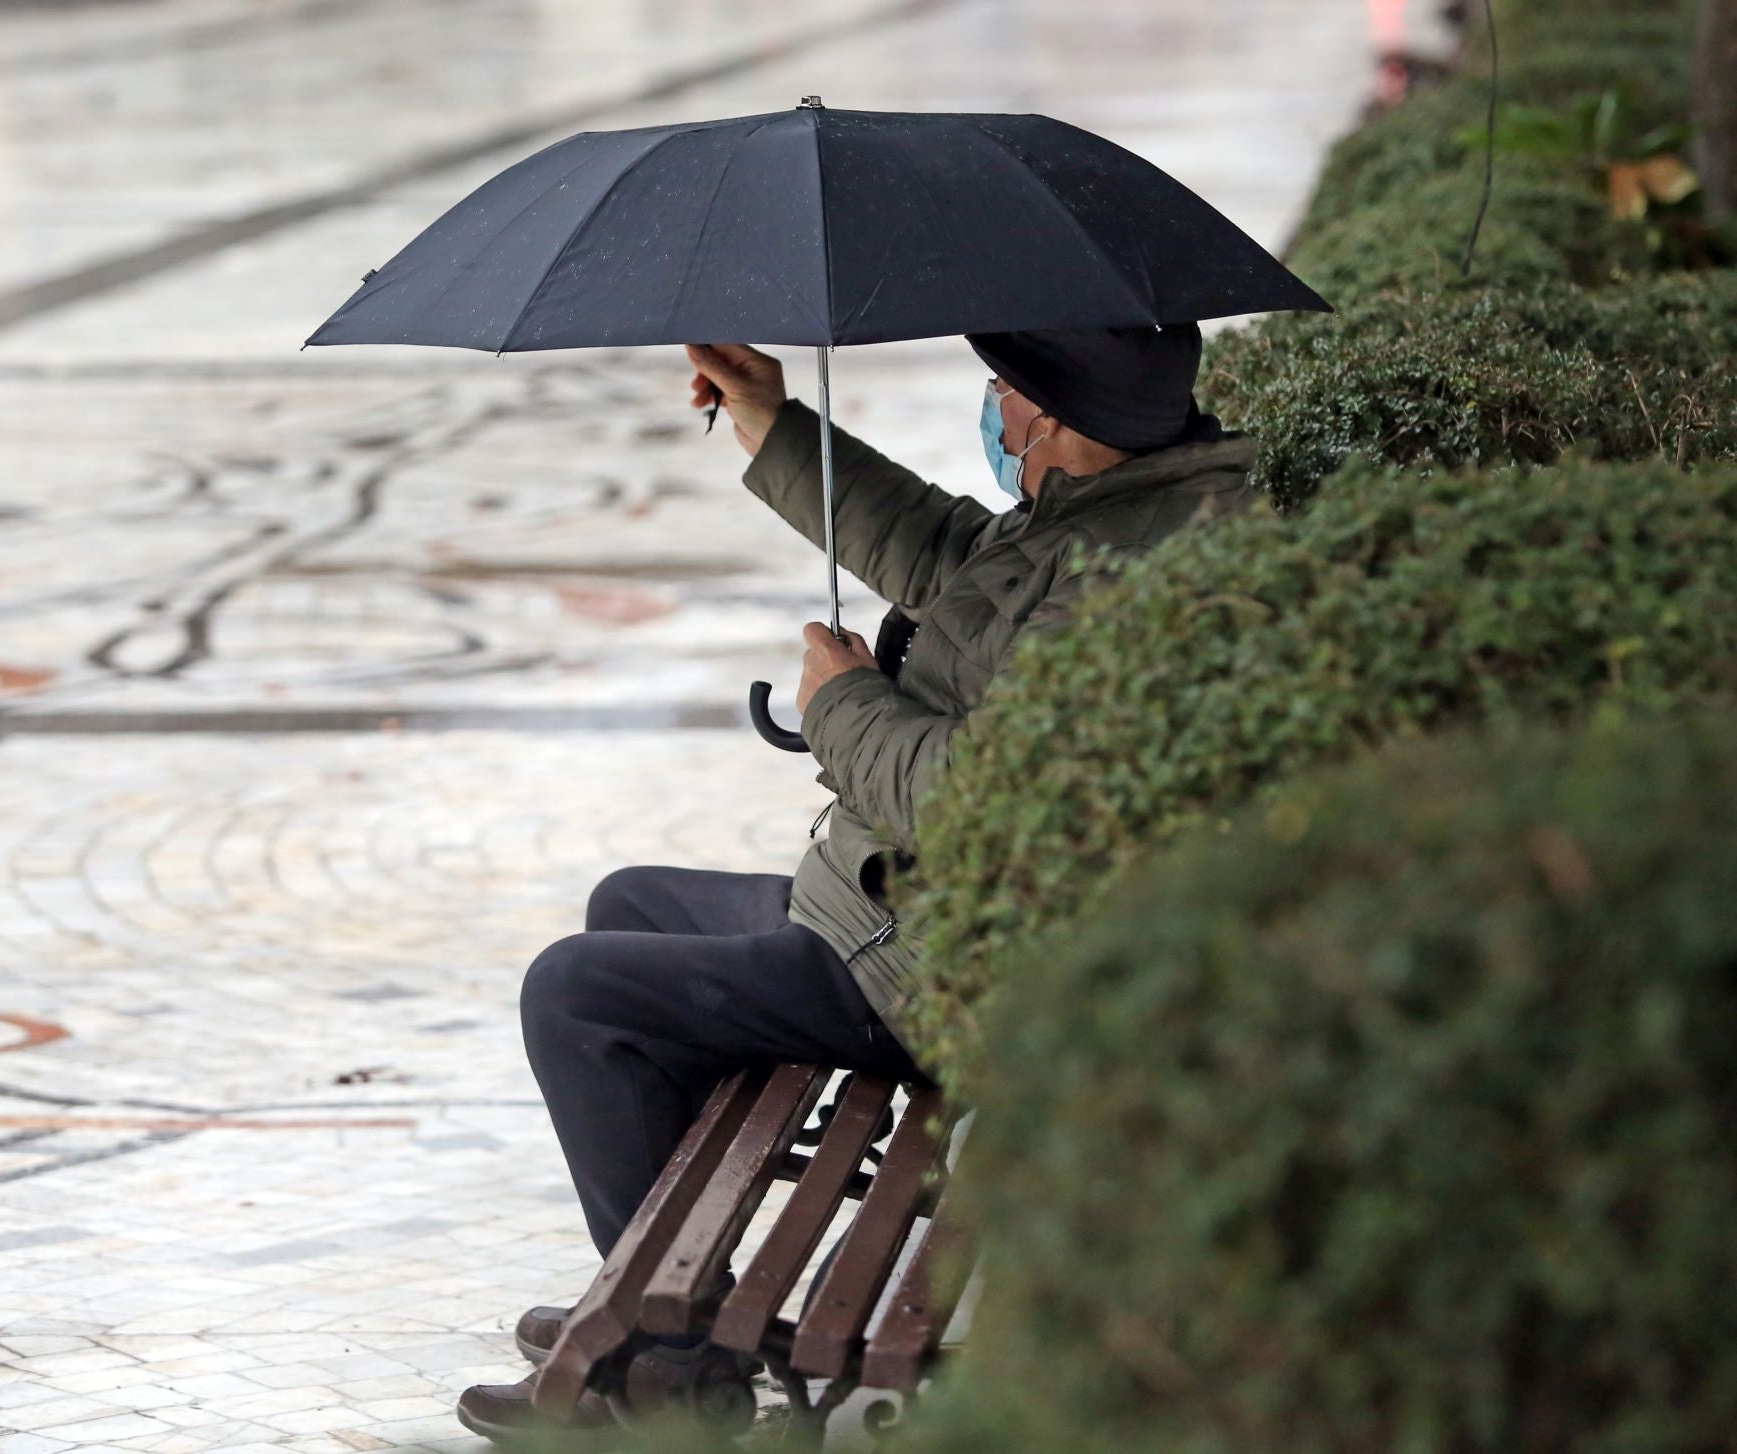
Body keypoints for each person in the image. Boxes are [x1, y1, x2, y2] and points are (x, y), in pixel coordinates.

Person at [456, 324, 1257, 1444]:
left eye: (1006, 392)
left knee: (576, 993)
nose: (997, 411)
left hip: (942, 966)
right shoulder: (1126, 505)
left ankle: (667, 1365)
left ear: (1059, 421)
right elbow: (950, 556)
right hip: (892, 907)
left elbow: (987, 800)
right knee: (632, 901)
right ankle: (659, 1289)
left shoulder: (1125, 578)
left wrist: (842, 700)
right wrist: (775, 423)